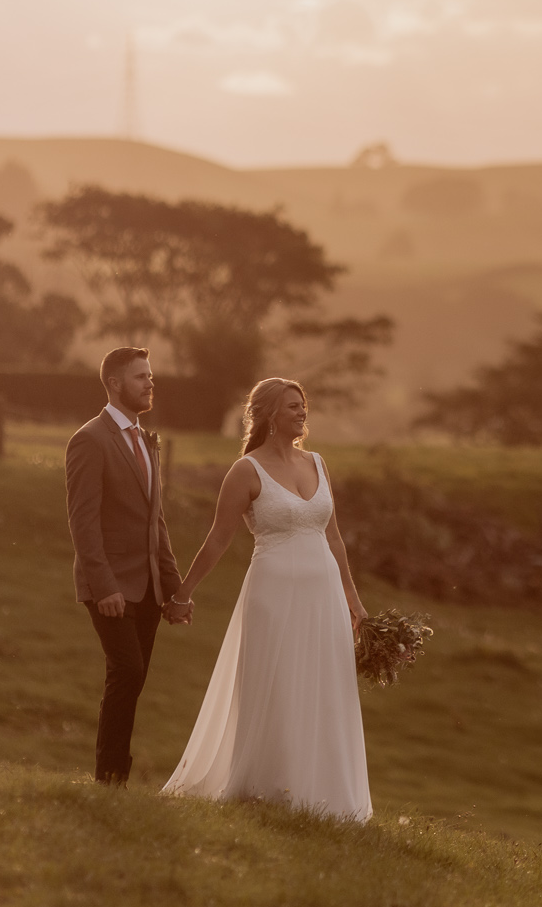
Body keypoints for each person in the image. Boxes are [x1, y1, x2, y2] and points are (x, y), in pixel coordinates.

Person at [162, 376, 372, 821]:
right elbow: (218, 538)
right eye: (292, 406)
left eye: (303, 406)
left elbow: (334, 537)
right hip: (273, 592)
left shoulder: (317, 463)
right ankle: (267, 787)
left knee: (324, 687)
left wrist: (352, 598)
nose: (302, 413)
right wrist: (183, 592)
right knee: (276, 686)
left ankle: (326, 796)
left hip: (323, 593)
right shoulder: (246, 471)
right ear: (270, 415)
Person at [65, 346, 188, 786]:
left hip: (149, 589)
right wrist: (104, 586)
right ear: (115, 384)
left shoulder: (147, 440)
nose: (150, 383)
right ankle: (110, 775)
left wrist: (175, 589)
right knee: (127, 672)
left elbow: (156, 521)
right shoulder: (89, 439)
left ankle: (114, 778)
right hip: (110, 587)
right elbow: (83, 521)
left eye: (150, 376)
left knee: (133, 681)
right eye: (140, 377)